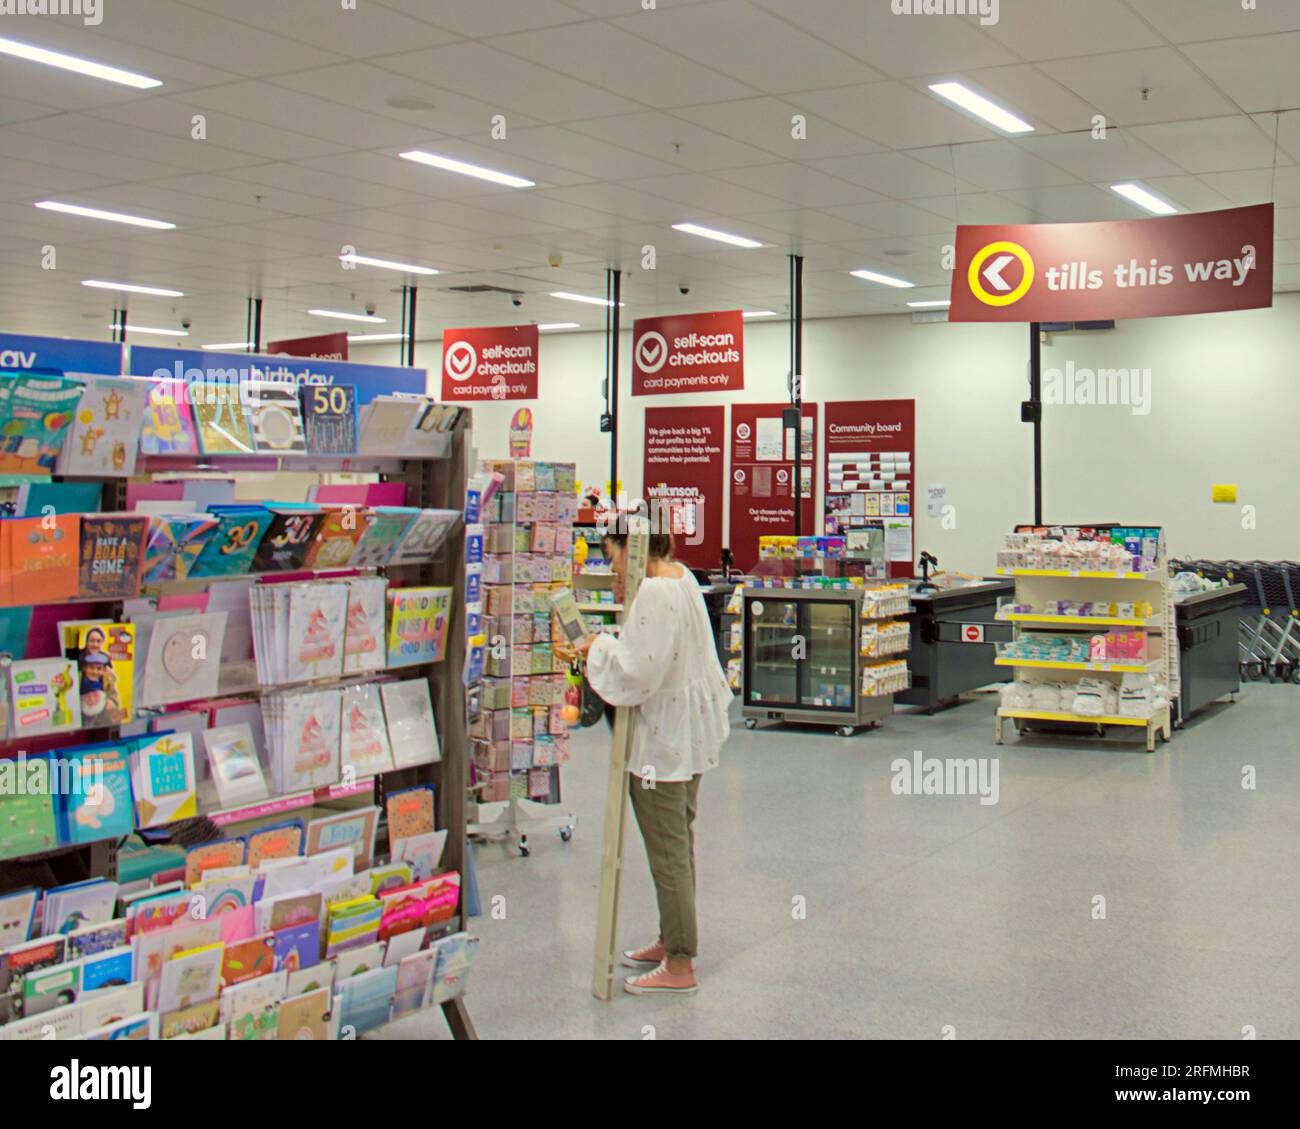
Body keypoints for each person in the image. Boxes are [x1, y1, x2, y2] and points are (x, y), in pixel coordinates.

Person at [573, 528, 732, 995]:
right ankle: (672, 939)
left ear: (632, 547)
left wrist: (597, 648)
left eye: (612, 556)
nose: (614, 568)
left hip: (664, 744)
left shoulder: (655, 593)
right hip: (689, 732)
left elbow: (638, 672)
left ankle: (681, 963)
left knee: (667, 850)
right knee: (678, 841)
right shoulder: (681, 578)